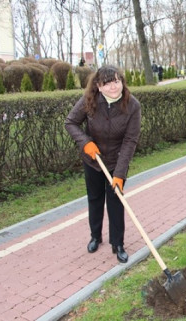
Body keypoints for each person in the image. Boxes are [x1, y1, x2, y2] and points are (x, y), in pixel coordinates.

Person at [65, 65, 141, 263]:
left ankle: (118, 243)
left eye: (117, 81)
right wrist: (86, 142)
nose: (113, 87)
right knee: (95, 199)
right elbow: (70, 122)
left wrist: (120, 173)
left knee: (116, 202)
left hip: (117, 161)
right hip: (93, 161)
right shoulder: (90, 100)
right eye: (107, 83)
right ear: (98, 86)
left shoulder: (132, 106)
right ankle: (95, 237)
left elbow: (130, 140)